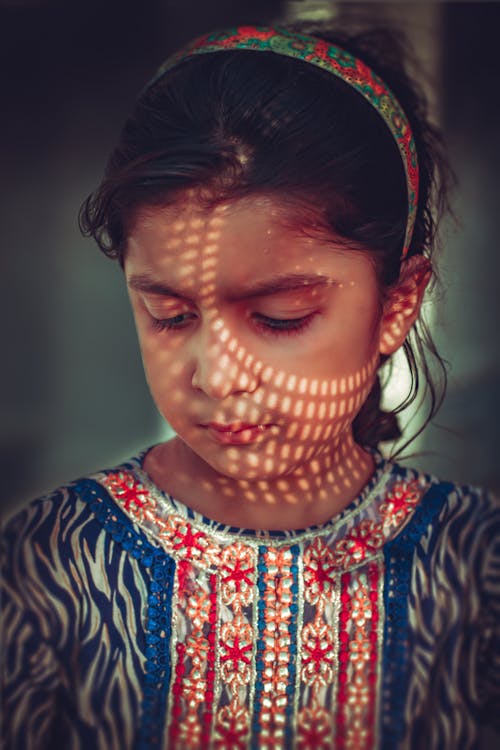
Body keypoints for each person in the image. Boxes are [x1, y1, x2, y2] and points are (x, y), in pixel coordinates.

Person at [1, 22, 499, 750]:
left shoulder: (474, 566)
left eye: (280, 317)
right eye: (170, 316)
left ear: (396, 304)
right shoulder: (54, 560)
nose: (217, 375)